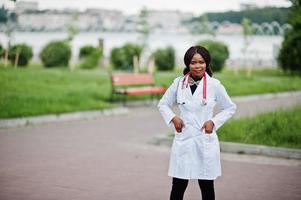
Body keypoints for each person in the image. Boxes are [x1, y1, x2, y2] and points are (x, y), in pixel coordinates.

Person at [157, 45, 237, 200]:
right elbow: (163, 104)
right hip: (184, 139)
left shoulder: (215, 85)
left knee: (206, 185)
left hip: (204, 139)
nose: (198, 66)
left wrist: (213, 122)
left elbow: (230, 107)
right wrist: (174, 118)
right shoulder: (179, 83)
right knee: (178, 184)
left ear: (207, 63)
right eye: (193, 62)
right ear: (187, 64)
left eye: (201, 62)